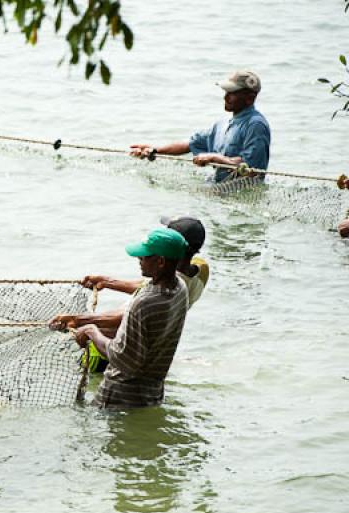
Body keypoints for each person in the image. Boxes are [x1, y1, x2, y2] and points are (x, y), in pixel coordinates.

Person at [52, 228, 189, 409]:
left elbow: (122, 358)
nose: (139, 260)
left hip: (119, 397)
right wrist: (107, 282)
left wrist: (91, 330)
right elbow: (143, 286)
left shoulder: (143, 304)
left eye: (144, 256)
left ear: (160, 262)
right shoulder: (180, 288)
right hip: (152, 394)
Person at [56, 215, 207, 372]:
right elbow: (144, 285)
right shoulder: (197, 272)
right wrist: (107, 282)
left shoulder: (151, 299)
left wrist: (79, 321)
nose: (140, 257)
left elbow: (122, 317)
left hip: (109, 350)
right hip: (149, 350)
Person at [130, 70, 271, 183]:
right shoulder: (221, 125)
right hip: (218, 188)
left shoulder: (256, 125)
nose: (226, 97)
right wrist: (154, 150)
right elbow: (189, 144)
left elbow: (252, 169)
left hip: (242, 194)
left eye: (232, 93)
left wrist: (214, 158)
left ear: (250, 98)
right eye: (226, 92)